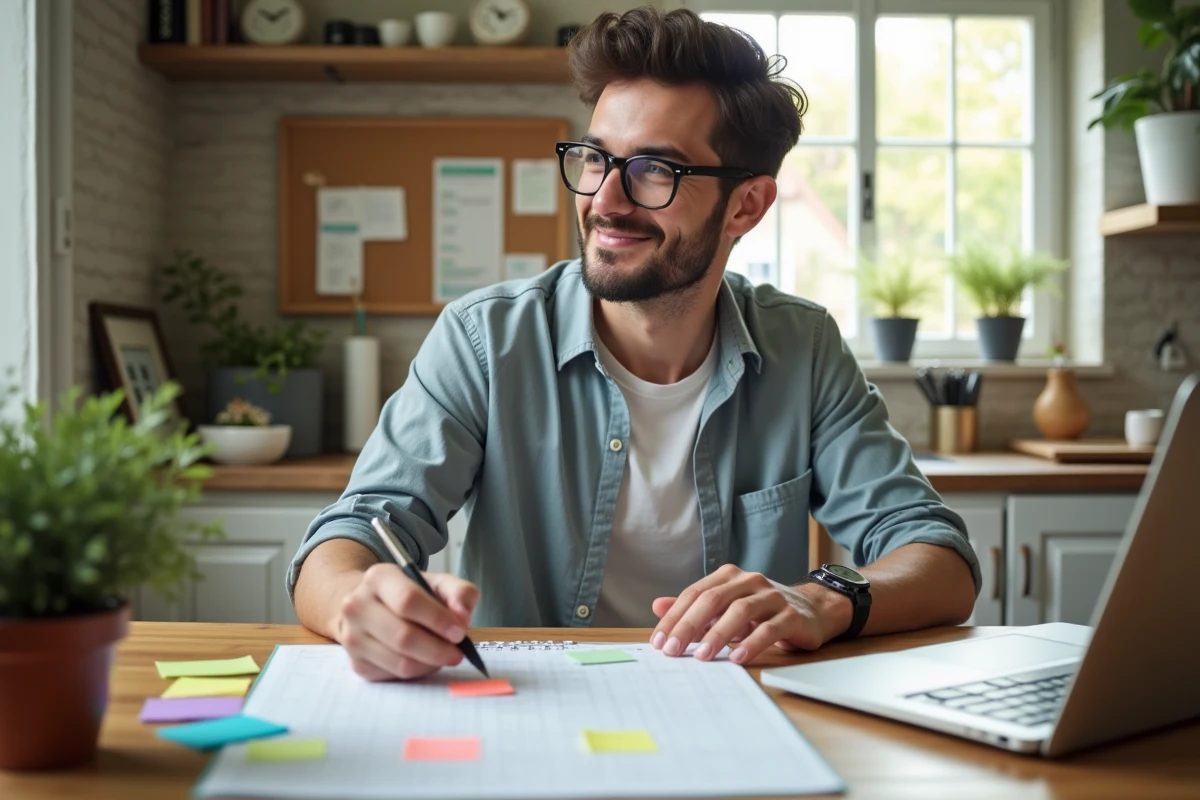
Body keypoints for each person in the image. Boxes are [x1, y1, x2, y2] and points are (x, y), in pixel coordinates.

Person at [290, 7, 980, 682]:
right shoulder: (485, 339)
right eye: (595, 158)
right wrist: (362, 608)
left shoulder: (803, 347)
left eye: (655, 169)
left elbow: (940, 559)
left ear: (747, 204)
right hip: (525, 709)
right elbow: (344, 540)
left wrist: (821, 600)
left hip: (730, 711)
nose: (605, 199)